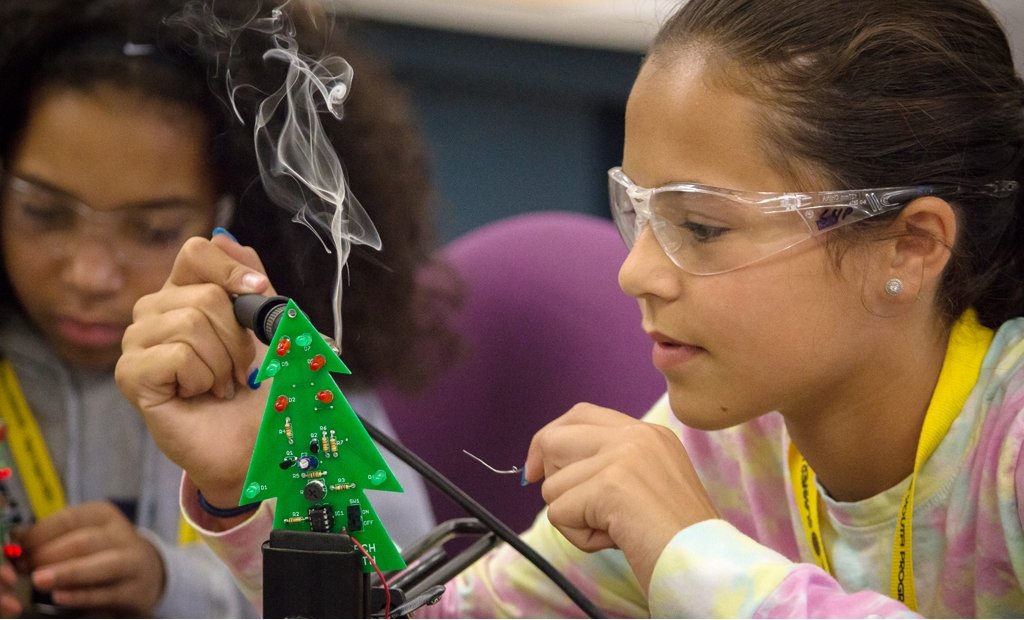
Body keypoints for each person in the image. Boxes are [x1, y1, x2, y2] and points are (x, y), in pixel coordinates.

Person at [117, 0, 1024, 616]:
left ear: (909, 246)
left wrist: (688, 551)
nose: (635, 272)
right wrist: (267, 469)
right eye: (639, 214)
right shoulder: (721, 441)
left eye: (701, 228)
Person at [0, 0, 454, 616]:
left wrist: (176, 586)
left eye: (154, 230)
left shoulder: (279, 361)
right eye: (44, 214)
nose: (90, 274)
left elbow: (399, 598)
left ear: (234, 216)